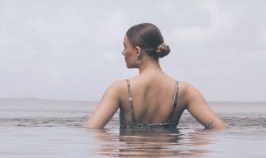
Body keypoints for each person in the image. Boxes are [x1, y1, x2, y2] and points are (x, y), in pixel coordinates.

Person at [83, 22, 229, 130]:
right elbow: (219, 128)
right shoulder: (185, 91)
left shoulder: (119, 89)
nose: (122, 52)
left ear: (138, 51)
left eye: (125, 46)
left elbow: (92, 129)